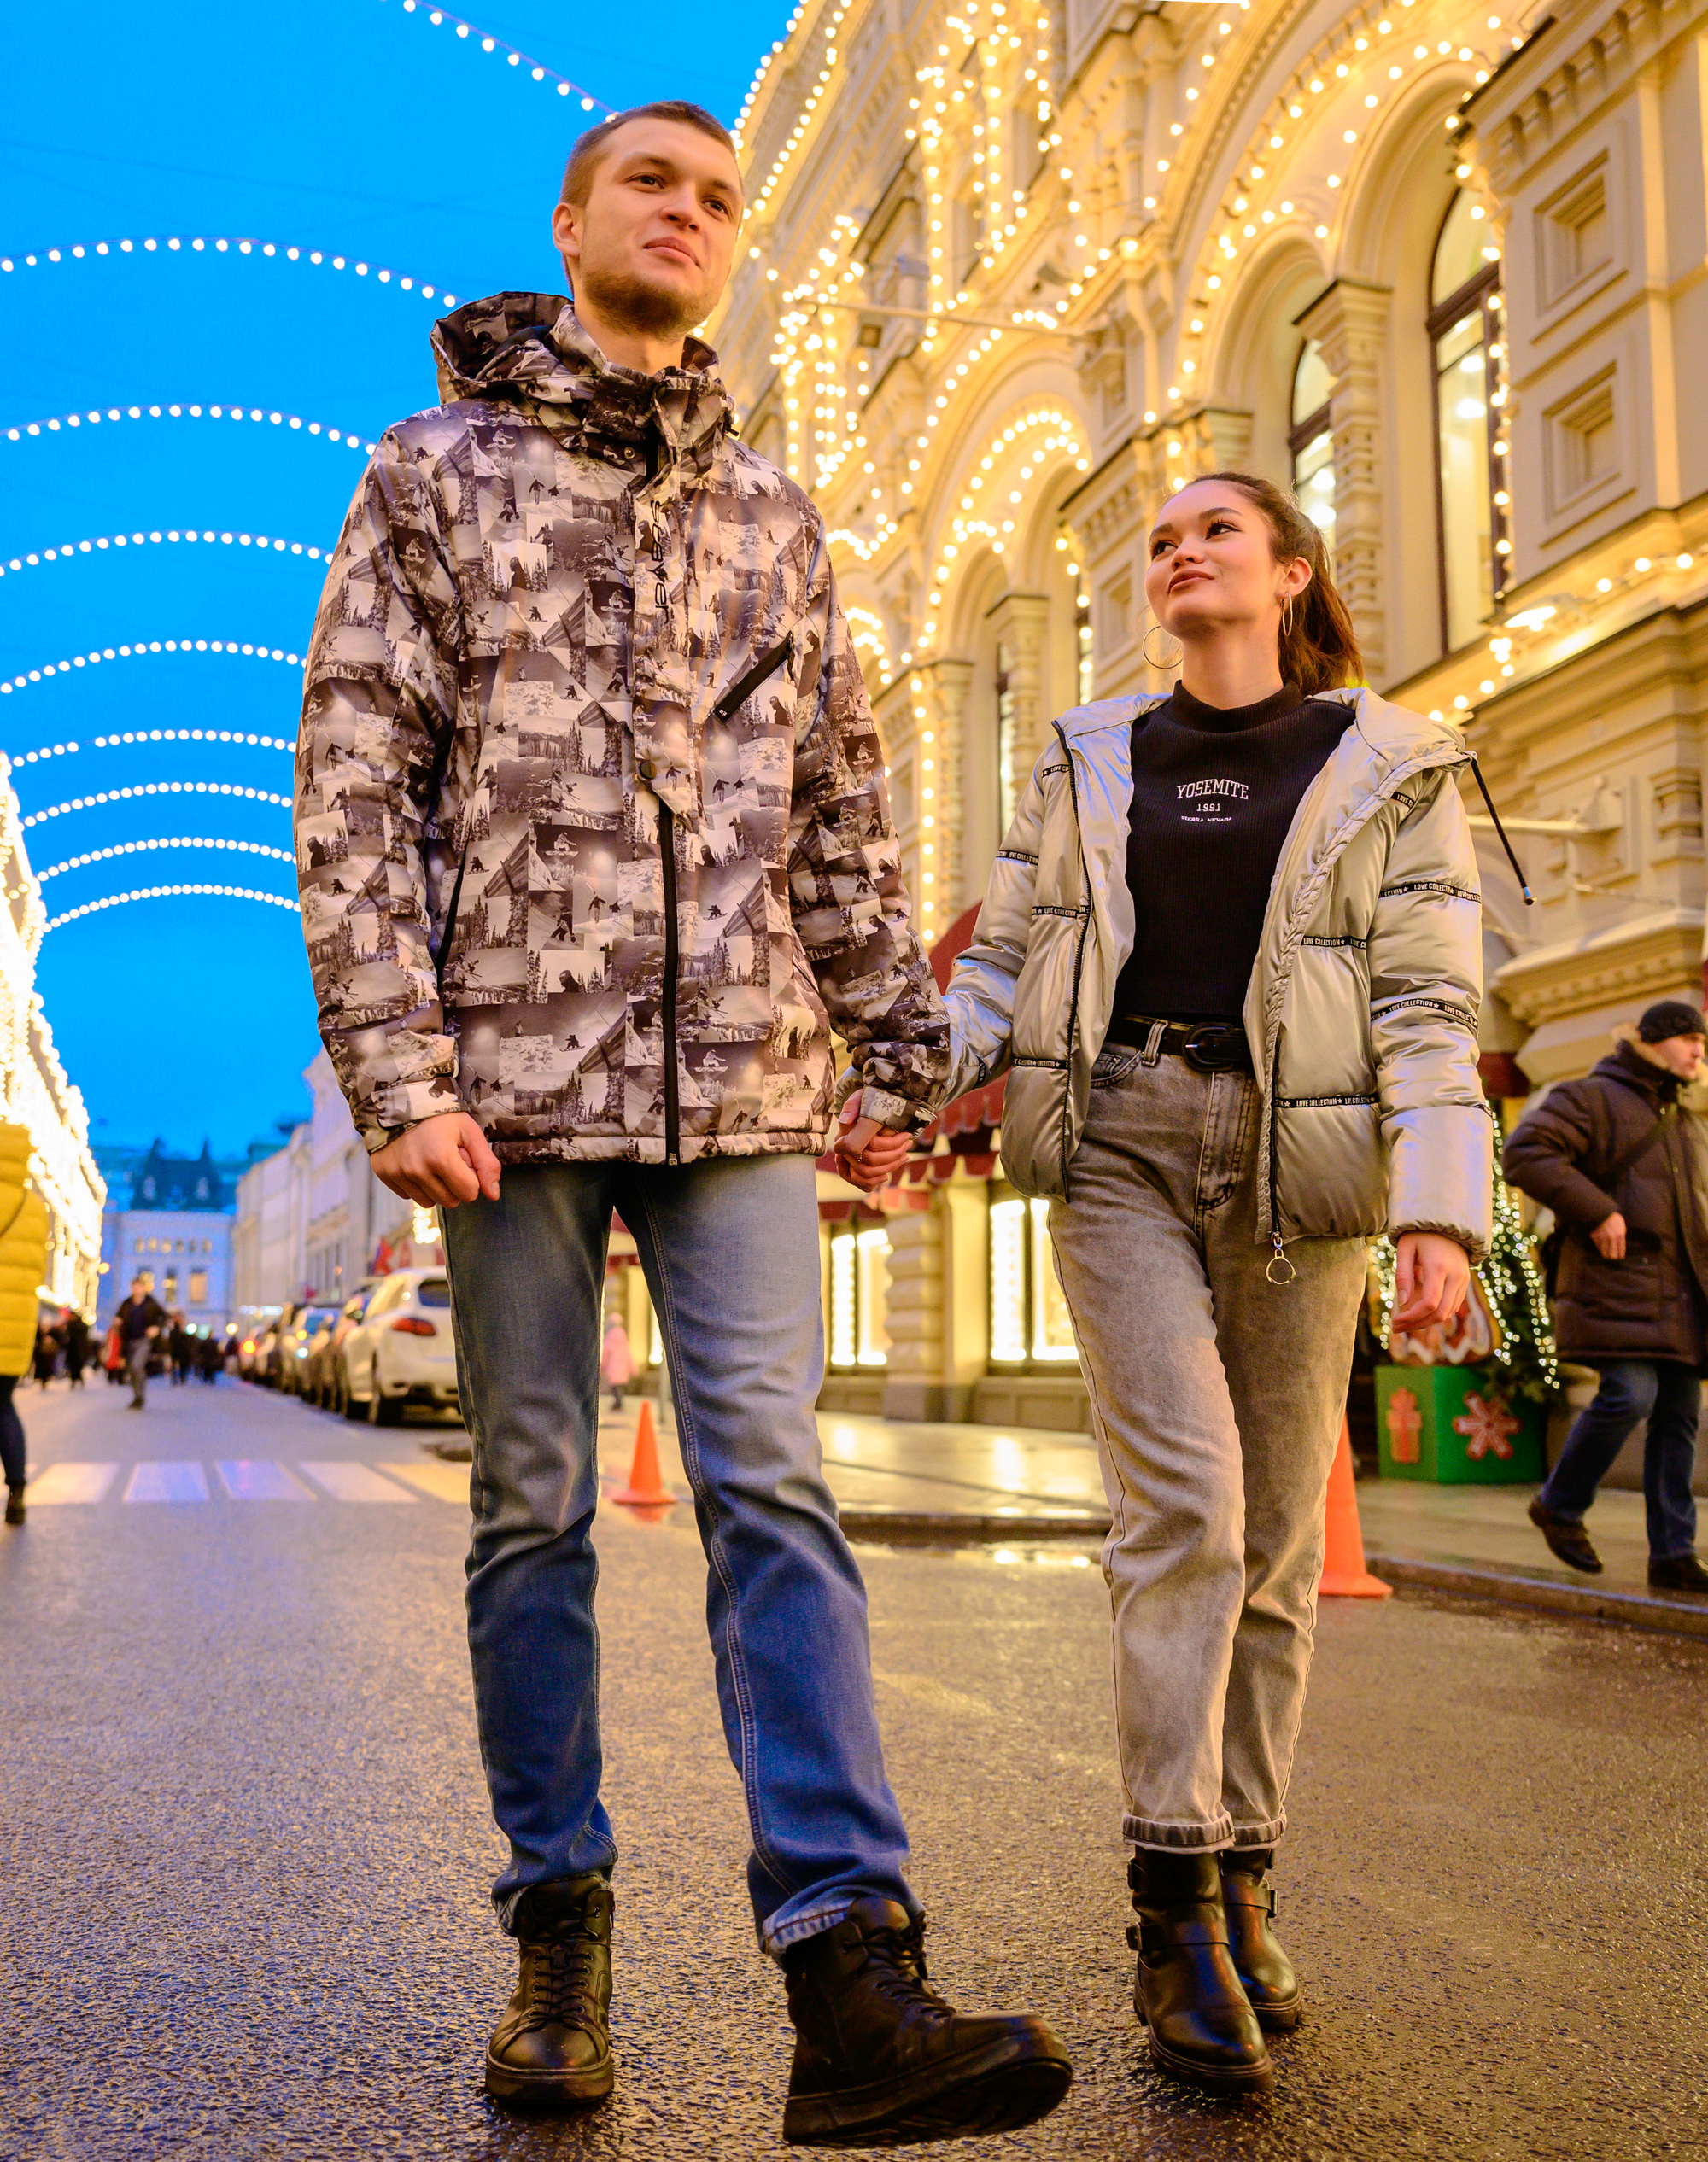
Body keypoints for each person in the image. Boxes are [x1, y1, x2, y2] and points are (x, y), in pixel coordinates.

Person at [295, 100, 1070, 2144]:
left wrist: (909, 1065)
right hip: (507, 1097)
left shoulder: (778, 515)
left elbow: (839, 822)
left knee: (774, 1492)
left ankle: (844, 1967)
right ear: (569, 223)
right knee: (532, 1506)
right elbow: (356, 778)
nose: (691, 214)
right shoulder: (430, 473)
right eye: (653, 183)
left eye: (722, 198)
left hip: (738, 1079)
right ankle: (558, 1926)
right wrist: (398, 1070)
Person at [862, 470, 1490, 2096]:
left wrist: (1442, 1213)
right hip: (1124, 1136)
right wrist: (900, 1084)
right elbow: (997, 970)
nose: (1179, 548)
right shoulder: (1084, 755)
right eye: (1160, 538)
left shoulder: (1392, 762)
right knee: (1189, 1512)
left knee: (1278, 1540)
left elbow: (1427, 996)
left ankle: (1246, 1865)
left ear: (1288, 575)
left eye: (1217, 529)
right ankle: (1170, 1896)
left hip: (1308, 1166)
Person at [1503, 1001, 1708, 1593]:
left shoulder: (1686, 1119)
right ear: (1651, 1042)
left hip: (1677, 1295)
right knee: (1630, 1393)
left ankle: (1672, 1553)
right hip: (1618, 1283)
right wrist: (1599, 1210)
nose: (1699, 1050)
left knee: (1680, 1417)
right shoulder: (1590, 1096)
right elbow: (1525, 1153)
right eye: (1688, 1038)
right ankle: (1560, 1505)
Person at [0, 1141, 50, 1525]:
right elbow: (37, 1272)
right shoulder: (34, 1207)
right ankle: (17, 1491)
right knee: (4, 1406)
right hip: (16, 1327)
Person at [114, 1276, 168, 1410]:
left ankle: (140, 1396)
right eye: (134, 1287)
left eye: (139, 1287)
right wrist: (117, 1322)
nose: (136, 1290)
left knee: (137, 1365)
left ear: (144, 1288)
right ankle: (137, 1396)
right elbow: (118, 1318)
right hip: (128, 1341)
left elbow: (165, 1318)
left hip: (144, 1340)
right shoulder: (126, 1304)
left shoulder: (151, 1303)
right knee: (131, 1369)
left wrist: (157, 1327)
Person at [600, 1314, 633, 1414]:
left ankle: (618, 1403)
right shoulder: (624, 1341)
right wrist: (633, 1369)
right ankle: (618, 1403)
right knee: (619, 1387)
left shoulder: (609, 1340)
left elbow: (605, 1355)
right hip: (623, 1370)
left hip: (613, 1369)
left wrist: (601, 1366)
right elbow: (629, 1356)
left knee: (615, 1388)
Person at [63, 1307, 90, 1388]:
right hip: (72, 1351)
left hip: (79, 1352)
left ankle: (79, 1380)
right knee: (72, 1368)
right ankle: (73, 1381)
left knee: (78, 1368)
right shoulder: (69, 1326)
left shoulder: (81, 1326)